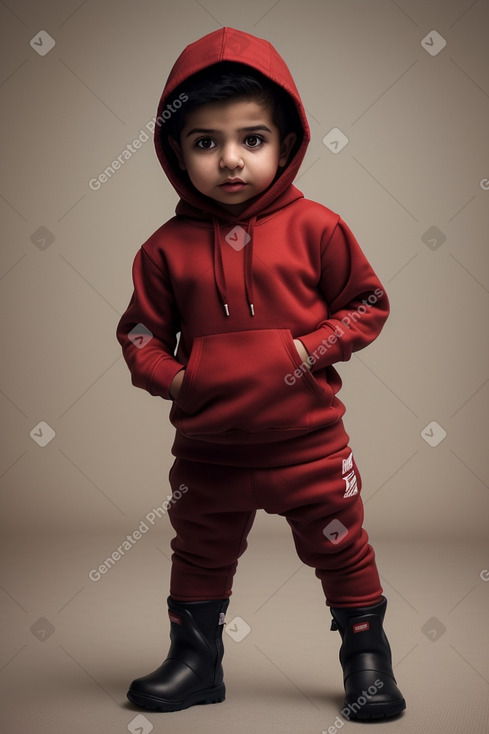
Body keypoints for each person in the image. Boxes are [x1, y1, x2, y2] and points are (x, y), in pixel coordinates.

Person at [116, 26, 406, 720]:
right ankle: (194, 661)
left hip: (308, 447)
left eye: (251, 138)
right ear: (174, 152)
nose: (230, 160)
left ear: (286, 143)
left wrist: (306, 351)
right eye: (205, 142)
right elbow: (138, 335)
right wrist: (182, 380)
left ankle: (366, 661)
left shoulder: (319, 228)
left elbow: (367, 303)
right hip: (209, 452)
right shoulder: (163, 249)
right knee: (199, 551)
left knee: (342, 549)